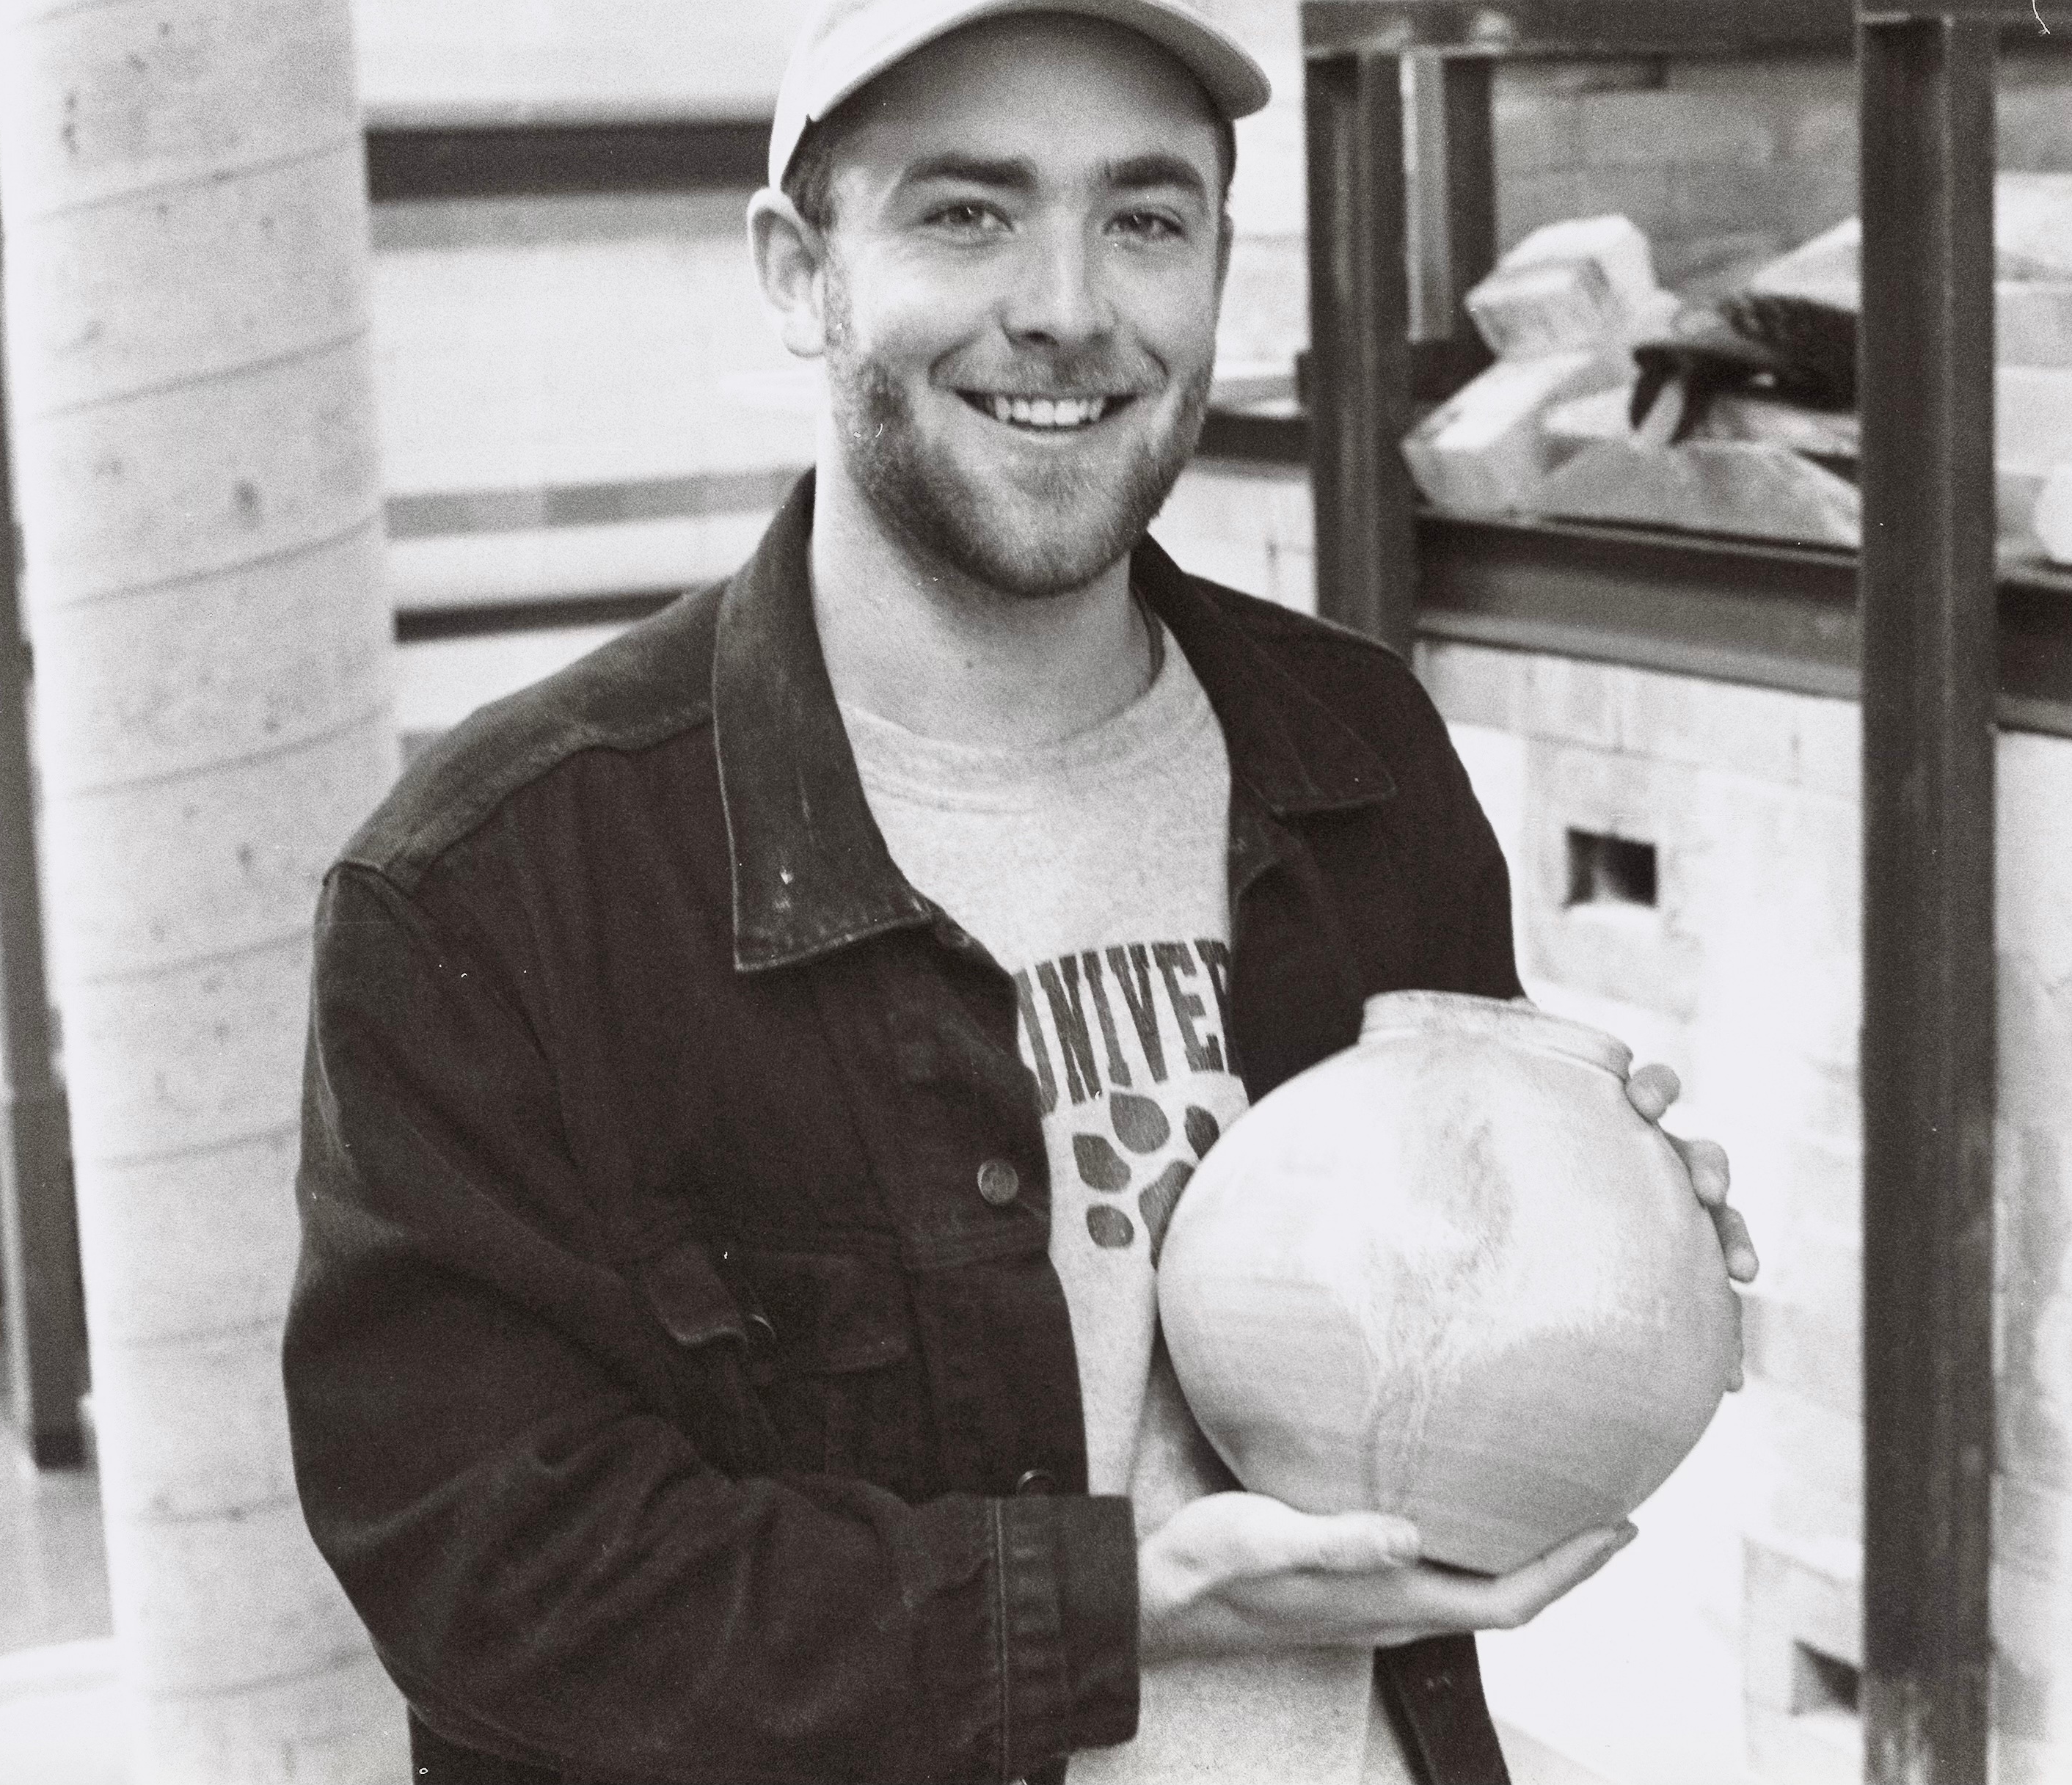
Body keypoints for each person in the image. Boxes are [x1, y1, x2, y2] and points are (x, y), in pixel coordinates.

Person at [282, 3, 1757, 1781]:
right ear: (795, 269)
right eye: (966, 213)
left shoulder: (1355, 750)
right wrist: (1103, 1606)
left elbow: (1444, 1337)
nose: (1068, 303)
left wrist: (1609, 1239)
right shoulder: (498, 883)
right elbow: (490, 1579)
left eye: (1147, 219)